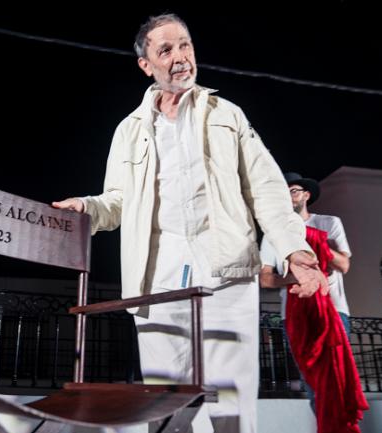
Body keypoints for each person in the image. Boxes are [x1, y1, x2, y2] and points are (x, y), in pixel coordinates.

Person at [52, 14, 327, 433]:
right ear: (146, 64)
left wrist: (296, 250)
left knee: (231, 400)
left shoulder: (227, 114)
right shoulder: (129, 130)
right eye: (166, 50)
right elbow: (117, 200)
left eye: (185, 45)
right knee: (163, 403)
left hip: (226, 271)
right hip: (157, 277)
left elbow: (266, 187)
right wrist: (86, 209)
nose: (180, 57)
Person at [259, 172, 353, 408]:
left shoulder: (329, 223)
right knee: (312, 381)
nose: (289, 196)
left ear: (306, 195)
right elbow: (265, 279)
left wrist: (316, 242)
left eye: (294, 190)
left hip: (333, 309)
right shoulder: (274, 235)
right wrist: (296, 277)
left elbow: (344, 265)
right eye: (284, 192)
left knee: (337, 377)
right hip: (295, 314)